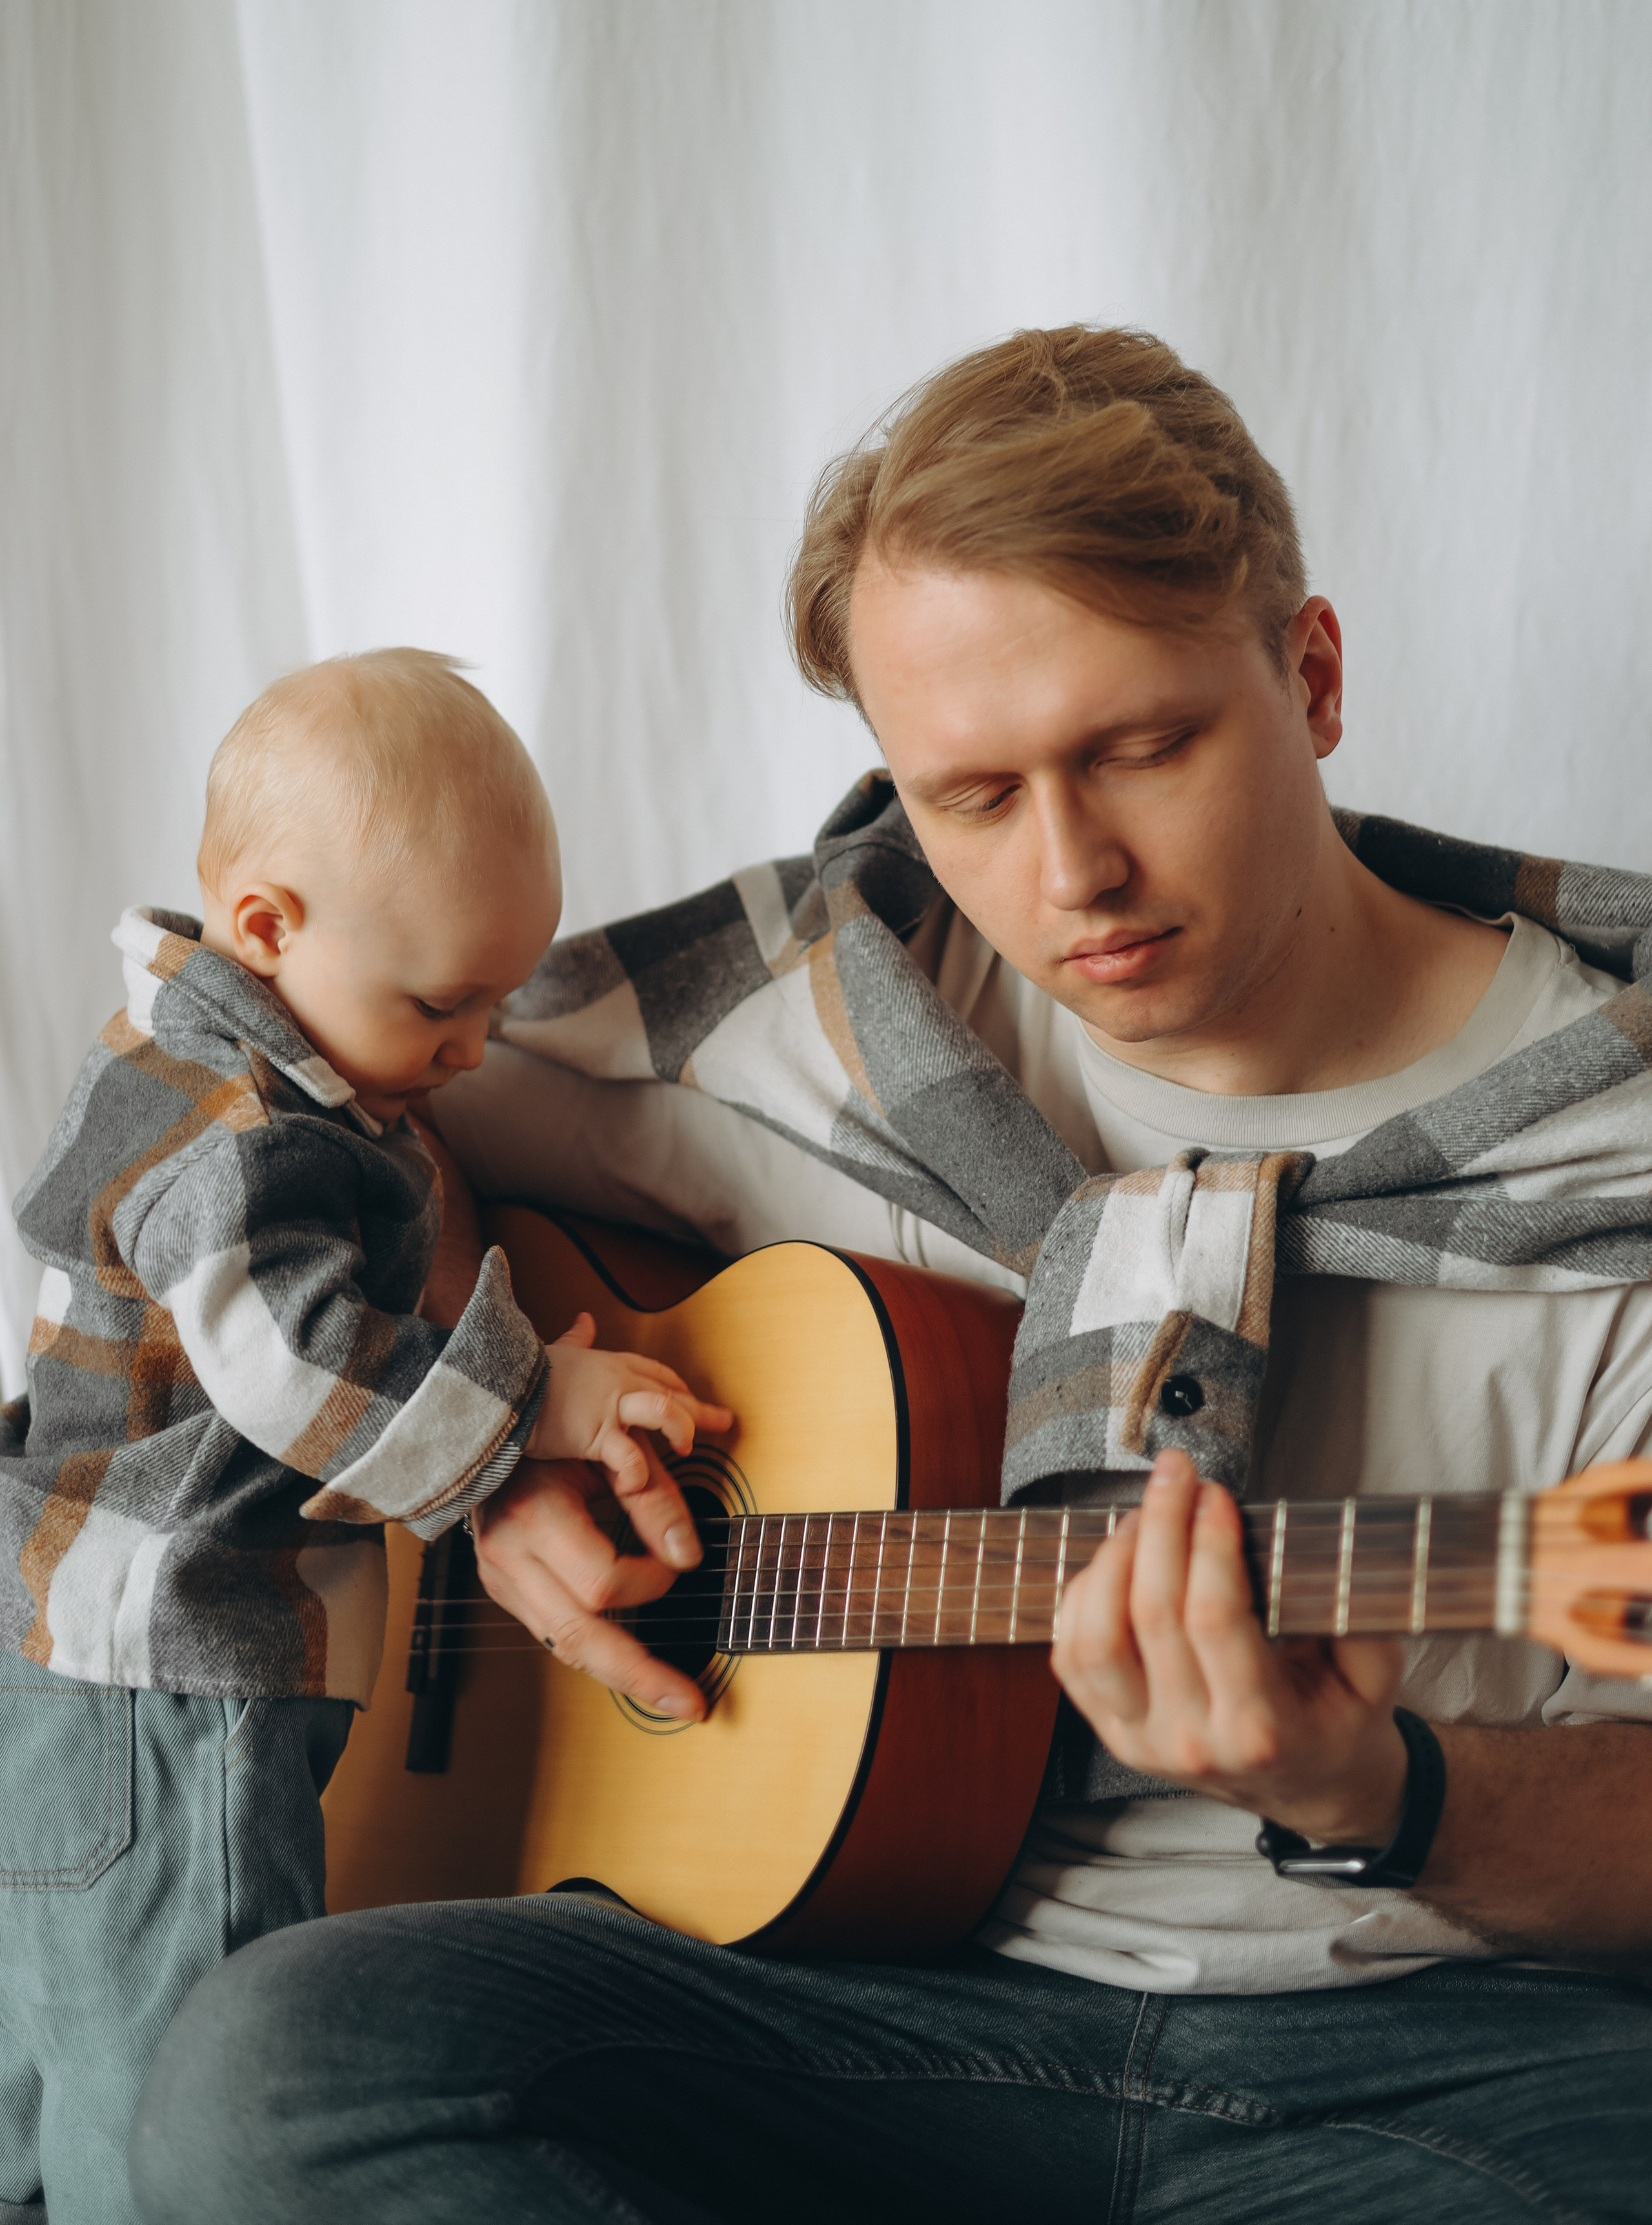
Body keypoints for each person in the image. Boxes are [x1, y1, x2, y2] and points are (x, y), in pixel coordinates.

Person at [130, 335, 1652, 2222]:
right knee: (282, 2065)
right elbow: (288, 1111)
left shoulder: (1620, 1154)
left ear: (1312, 675)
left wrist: (1380, 1790)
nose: (1074, 871)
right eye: (973, 796)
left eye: (1142, 748)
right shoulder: (821, 1019)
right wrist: (489, 1444)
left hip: (1446, 2054)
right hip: (844, 2001)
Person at [2, 648, 721, 2225]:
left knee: (59, 2048)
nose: (472, 1050)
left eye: (494, 1001)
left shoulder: (189, 1060)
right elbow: (287, 1366)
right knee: (178, 2074)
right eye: (439, 1003)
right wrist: (535, 1398)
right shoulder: (243, 1134)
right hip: (169, 1674)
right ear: (269, 930)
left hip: (74, 1662)